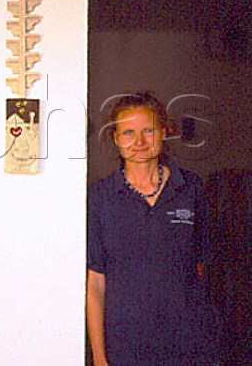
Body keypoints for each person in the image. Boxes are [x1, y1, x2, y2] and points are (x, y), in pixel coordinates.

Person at [86, 92, 220, 366]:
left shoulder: (190, 188)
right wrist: (99, 358)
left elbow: (200, 268)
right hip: (125, 346)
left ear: (164, 132)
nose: (139, 142)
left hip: (187, 344)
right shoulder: (100, 197)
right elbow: (95, 284)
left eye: (149, 130)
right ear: (115, 138)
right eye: (128, 133)